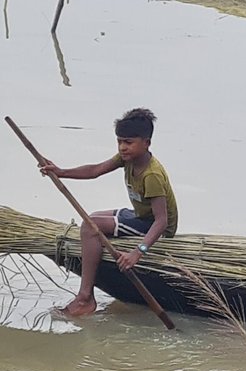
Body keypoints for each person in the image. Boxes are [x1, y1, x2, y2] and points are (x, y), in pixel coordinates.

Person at [36, 108, 179, 318]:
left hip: (153, 225)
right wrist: (61, 172)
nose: (122, 147)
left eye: (128, 142)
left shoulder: (152, 175)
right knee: (94, 217)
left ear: (146, 143)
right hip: (139, 215)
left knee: (91, 225)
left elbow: (162, 221)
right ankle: (94, 265)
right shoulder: (127, 158)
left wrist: (137, 252)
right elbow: (95, 170)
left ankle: (85, 298)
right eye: (119, 141)